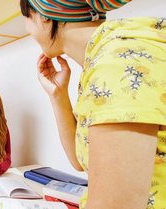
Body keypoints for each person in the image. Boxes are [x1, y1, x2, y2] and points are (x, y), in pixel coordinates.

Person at [20, 0, 166, 208]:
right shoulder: (104, 60)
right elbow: (80, 161)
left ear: (43, 14)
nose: (27, 29)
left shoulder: (118, 65)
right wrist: (58, 94)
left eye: (26, 17)